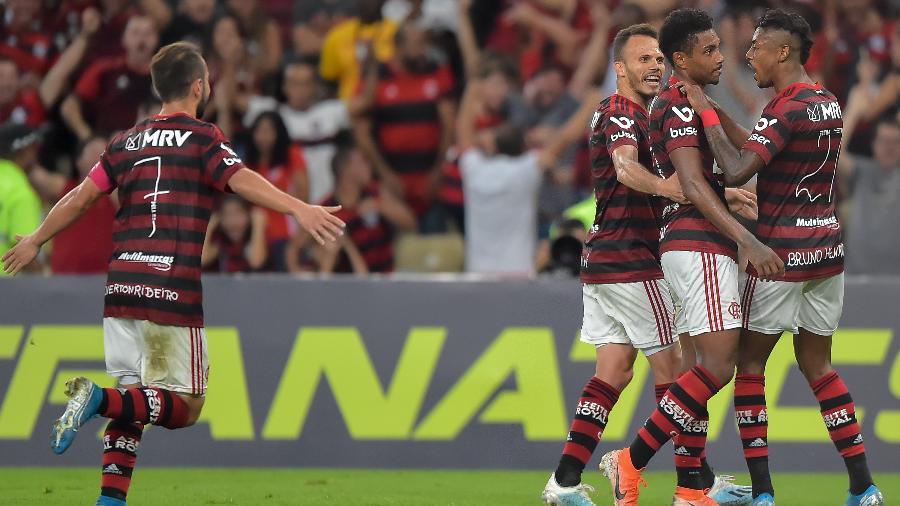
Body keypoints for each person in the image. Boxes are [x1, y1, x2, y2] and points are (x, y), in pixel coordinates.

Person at [1, 41, 344, 506]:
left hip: (121, 286)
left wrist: (37, 238)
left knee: (135, 402)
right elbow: (238, 178)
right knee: (186, 408)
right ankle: (94, 399)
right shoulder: (204, 137)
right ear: (199, 85)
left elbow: (82, 197)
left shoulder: (125, 141)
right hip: (170, 288)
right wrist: (299, 207)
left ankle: (109, 500)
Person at [679, 9, 884, 506]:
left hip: (780, 257)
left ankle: (765, 493)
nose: (749, 56)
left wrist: (704, 117)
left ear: (782, 51)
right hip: (828, 254)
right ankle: (863, 486)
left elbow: (735, 170)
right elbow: (762, 146)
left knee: (748, 367)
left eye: (756, 48)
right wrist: (718, 109)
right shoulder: (826, 103)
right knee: (820, 367)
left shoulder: (783, 108)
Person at [541, 24, 751, 506]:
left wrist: (723, 195)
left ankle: (565, 480)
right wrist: (669, 188)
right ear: (620, 69)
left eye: (659, 59)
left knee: (612, 372)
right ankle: (694, 483)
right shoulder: (619, 111)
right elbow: (624, 168)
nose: (655, 66)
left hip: (602, 263)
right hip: (633, 261)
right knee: (677, 372)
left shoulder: (641, 114)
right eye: (643, 60)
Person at [599, 9, 784, 506]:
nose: (722, 58)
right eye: (710, 51)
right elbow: (692, 184)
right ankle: (630, 461)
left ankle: (688, 489)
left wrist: (716, 112)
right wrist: (746, 238)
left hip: (690, 245)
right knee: (719, 366)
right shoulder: (678, 109)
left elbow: (744, 152)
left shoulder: (691, 102)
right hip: (696, 244)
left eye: (721, 48)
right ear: (680, 58)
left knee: (697, 372)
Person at [353, 21, 455, 225]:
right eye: (417, 45)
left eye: (424, 45)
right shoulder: (378, 78)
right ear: (398, 47)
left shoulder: (437, 72)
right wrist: (385, 175)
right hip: (392, 183)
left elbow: (449, 125)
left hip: (430, 180)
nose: (423, 51)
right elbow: (362, 133)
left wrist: (438, 170)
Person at [302, 143, 416, 274]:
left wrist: (380, 206)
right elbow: (300, 246)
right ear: (346, 169)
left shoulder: (376, 194)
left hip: (384, 279)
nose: (369, 166)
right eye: (363, 161)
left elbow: (411, 223)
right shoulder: (326, 209)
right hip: (347, 284)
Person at [61, 15, 158, 141]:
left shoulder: (167, 74)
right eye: (135, 33)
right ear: (124, 39)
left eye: (148, 34)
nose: (141, 40)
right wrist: (89, 138)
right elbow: (69, 106)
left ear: (156, 38)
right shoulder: (104, 69)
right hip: (108, 144)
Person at [28, 136, 116, 274]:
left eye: (105, 151)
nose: (100, 157)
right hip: (64, 278)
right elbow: (33, 172)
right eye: (94, 151)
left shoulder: (116, 196)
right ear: (78, 162)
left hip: (104, 279)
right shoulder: (66, 189)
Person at [243, 111, 308, 270]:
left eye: (269, 131)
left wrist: (297, 243)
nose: (263, 137)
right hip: (257, 237)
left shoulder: (292, 155)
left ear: (279, 133)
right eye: (259, 131)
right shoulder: (248, 164)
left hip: (286, 238)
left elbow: (304, 198)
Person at [840, 117, 900, 276]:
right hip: (857, 279)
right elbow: (834, 154)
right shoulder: (862, 171)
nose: (890, 147)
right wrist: (855, 109)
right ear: (873, 144)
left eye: (896, 141)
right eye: (884, 141)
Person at [0, 124, 42, 274]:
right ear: (26, 151)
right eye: (34, 149)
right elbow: (25, 254)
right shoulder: (20, 192)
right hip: (5, 289)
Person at [201, 194, 267, 272]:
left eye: (238, 214)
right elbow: (202, 260)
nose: (233, 222)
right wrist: (209, 226)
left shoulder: (254, 238)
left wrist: (258, 225)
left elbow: (256, 262)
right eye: (226, 215)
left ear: (249, 216)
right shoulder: (220, 241)